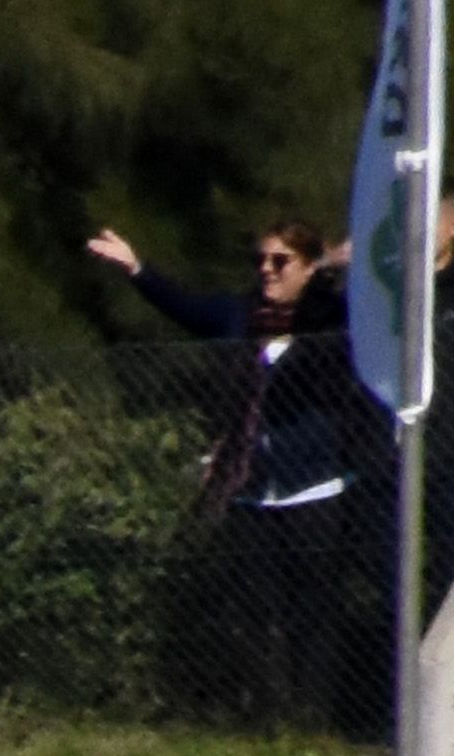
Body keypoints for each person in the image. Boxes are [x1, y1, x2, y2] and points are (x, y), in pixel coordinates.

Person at [84, 217, 382, 729]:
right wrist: (137, 268)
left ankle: (313, 721)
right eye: (261, 260)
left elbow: (370, 324)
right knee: (254, 611)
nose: (267, 270)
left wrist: (344, 268)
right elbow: (186, 307)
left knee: (313, 610)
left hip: (313, 487)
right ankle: (269, 719)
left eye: (280, 261)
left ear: (308, 268)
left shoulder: (329, 320)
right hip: (252, 489)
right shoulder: (239, 317)